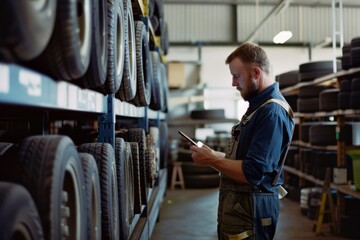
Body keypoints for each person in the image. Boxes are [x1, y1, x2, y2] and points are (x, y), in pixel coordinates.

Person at [190, 42, 295, 240]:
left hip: (252, 211)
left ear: (256, 73)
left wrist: (212, 161)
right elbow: (242, 159)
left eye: (236, 76)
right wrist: (211, 155)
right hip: (242, 209)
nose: (233, 82)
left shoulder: (271, 113)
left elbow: (252, 172)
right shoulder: (257, 108)